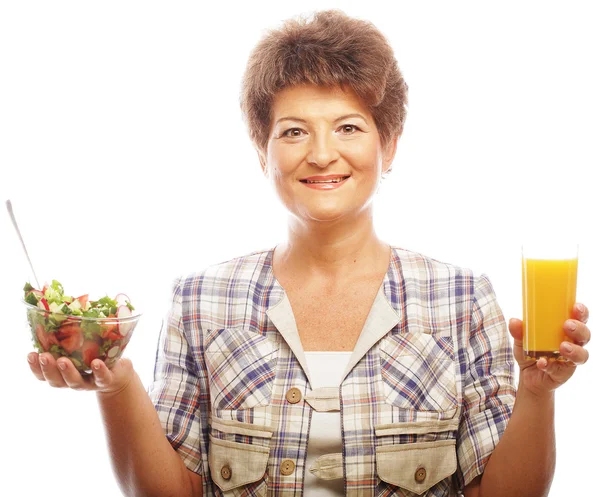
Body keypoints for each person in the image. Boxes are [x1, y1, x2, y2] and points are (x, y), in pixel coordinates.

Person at [26, 9, 591, 497]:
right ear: (261, 151)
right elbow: (174, 489)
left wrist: (537, 394)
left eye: (348, 127)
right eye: (294, 132)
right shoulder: (200, 298)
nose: (322, 154)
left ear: (388, 144)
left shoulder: (463, 297)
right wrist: (116, 383)